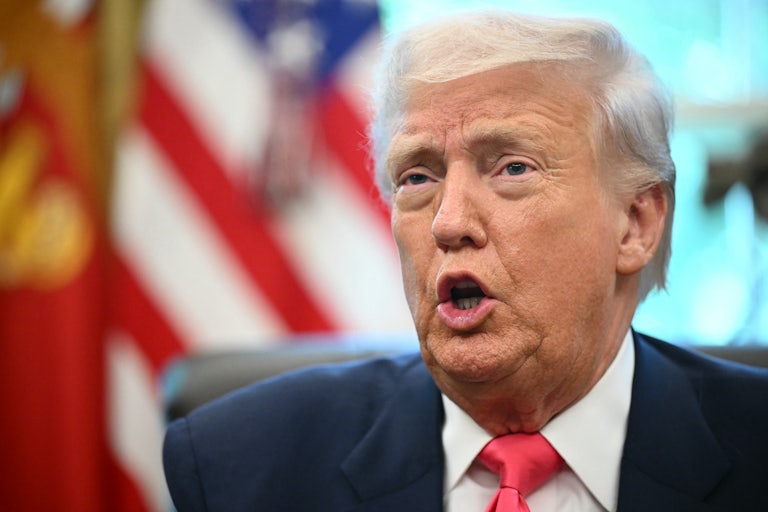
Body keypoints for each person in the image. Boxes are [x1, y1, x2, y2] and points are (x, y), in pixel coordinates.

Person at [162, 11, 768, 511]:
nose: (448, 223)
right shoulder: (239, 467)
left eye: (512, 168)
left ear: (636, 223)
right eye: (417, 177)